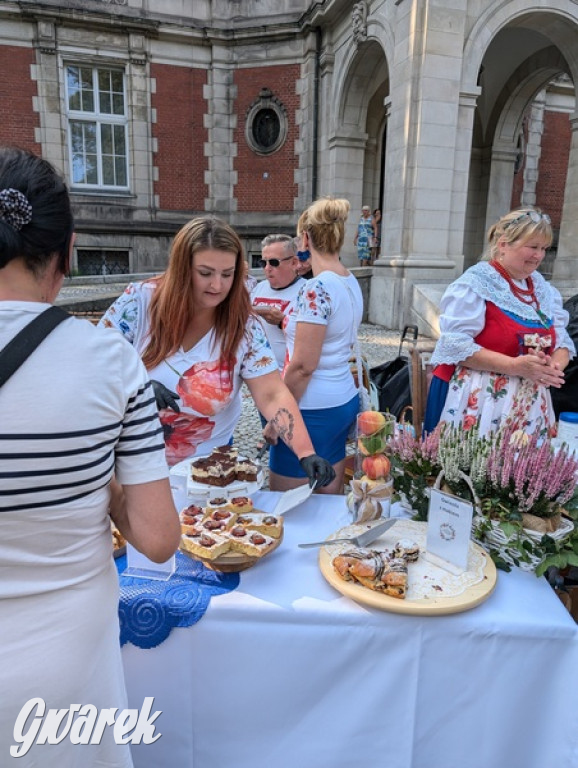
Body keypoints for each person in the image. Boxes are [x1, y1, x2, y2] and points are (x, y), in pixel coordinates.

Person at [0, 147, 181, 766]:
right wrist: (99, 485)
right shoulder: (108, 361)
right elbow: (158, 539)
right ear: (69, 251)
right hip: (66, 656)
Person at [99, 215, 334, 488]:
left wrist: (306, 452)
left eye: (227, 274)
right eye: (205, 273)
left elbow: (271, 393)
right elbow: (93, 361)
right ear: (181, 268)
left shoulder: (243, 324)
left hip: (210, 473)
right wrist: (135, 386)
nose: (217, 286)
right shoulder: (140, 301)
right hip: (135, 466)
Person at [423, 207, 575, 438]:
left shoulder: (543, 289)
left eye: (544, 248)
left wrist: (551, 368)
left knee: (523, 470)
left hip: (529, 402)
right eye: (532, 247)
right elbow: (455, 347)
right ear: (503, 244)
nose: (539, 256)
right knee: (474, 469)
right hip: (478, 399)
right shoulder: (476, 284)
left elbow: (562, 339)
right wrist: (516, 366)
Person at [267, 197, 363, 494]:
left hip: (311, 408)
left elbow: (303, 366)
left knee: (289, 507)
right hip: (342, 398)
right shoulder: (350, 280)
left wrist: (278, 418)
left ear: (305, 238)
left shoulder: (316, 288)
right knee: (327, 501)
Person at [250, 234, 304, 369]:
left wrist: (282, 322)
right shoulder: (259, 288)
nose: (267, 268)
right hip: (258, 372)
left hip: (289, 373)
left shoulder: (307, 291)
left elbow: (314, 336)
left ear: (294, 262)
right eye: (263, 262)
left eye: (274, 262)